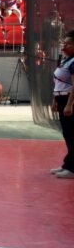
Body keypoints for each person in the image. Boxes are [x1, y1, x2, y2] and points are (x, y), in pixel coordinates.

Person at [51, 32, 74, 179]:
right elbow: (58, 83)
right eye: (64, 43)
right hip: (61, 99)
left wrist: (69, 104)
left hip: (68, 100)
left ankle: (72, 169)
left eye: (68, 44)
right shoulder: (66, 60)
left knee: (72, 134)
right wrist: (55, 101)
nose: (64, 46)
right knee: (67, 134)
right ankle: (68, 164)